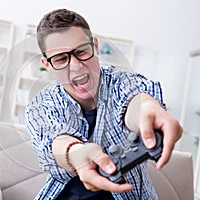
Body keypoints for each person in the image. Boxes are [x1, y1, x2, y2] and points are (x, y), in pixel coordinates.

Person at [25, 8, 182, 200]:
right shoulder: (42, 104)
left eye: (82, 52)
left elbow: (134, 98)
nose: (75, 65)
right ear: (48, 65)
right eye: (61, 59)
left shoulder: (120, 82)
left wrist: (148, 111)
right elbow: (53, 137)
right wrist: (75, 153)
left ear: (95, 46)